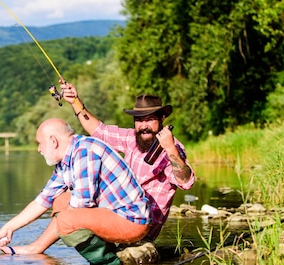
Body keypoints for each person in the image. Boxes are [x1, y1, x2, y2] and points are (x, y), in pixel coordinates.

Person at [0, 118, 151, 265]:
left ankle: (110, 264)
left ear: (53, 141)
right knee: (60, 201)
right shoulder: (65, 161)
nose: (38, 149)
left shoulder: (84, 151)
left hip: (131, 220)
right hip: (114, 214)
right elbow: (42, 201)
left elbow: (81, 205)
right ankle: (35, 249)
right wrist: (9, 227)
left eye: (40, 143)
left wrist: (55, 227)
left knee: (66, 219)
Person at [59, 81, 195, 241]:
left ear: (162, 118)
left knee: (71, 216)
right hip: (121, 212)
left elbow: (186, 182)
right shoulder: (131, 138)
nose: (144, 126)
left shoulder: (173, 147)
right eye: (139, 120)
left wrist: (170, 149)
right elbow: (98, 131)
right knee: (63, 199)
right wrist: (75, 100)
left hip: (144, 225)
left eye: (150, 119)